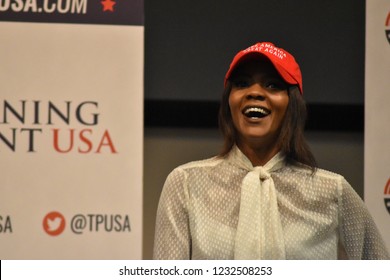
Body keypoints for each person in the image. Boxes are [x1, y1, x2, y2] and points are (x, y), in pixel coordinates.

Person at [153, 42, 389, 260]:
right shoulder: (185, 183)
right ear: (229, 102)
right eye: (242, 83)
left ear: (293, 104)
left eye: (273, 85)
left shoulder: (332, 191)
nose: (254, 92)